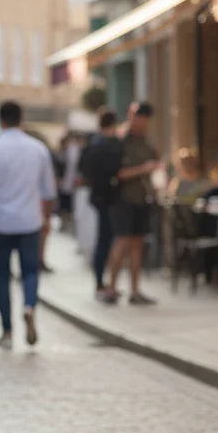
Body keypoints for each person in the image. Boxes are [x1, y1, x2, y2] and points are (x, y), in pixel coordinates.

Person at [0, 102, 57, 349]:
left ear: (1, 120)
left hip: (1, 223)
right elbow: (49, 190)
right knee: (30, 271)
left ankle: (7, 331)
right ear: (21, 119)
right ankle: (29, 306)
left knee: (2, 276)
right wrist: (47, 219)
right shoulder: (38, 149)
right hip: (30, 221)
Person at [106, 102, 160, 305]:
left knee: (138, 243)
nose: (143, 124)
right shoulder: (121, 140)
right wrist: (143, 169)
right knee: (123, 241)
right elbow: (118, 173)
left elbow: (153, 162)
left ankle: (135, 291)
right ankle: (111, 287)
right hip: (123, 199)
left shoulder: (145, 141)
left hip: (142, 198)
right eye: (139, 118)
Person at [79, 108, 123, 302]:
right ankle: (106, 283)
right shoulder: (112, 144)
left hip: (97, 197)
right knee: (110, 241)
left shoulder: (92, 144)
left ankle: (100, 281)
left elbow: (83, 168)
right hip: (112, 198)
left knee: (103, 240)